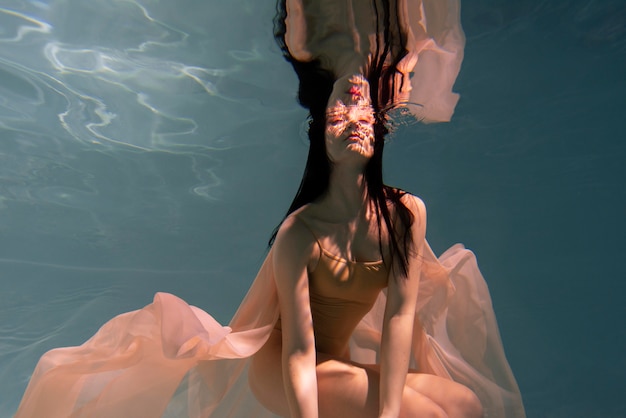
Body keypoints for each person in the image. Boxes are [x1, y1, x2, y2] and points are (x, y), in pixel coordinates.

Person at [15, 1, 525, 417]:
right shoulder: (300, 234)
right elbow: (299, 352)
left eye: (363, 110)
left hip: (335, 365)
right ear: (319, 133)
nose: (354, 115)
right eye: (340, 111)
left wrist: (388, 414)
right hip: (284, 372)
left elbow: (399, 321)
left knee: (467, 404)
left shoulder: (406, 214)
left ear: (381, 130)